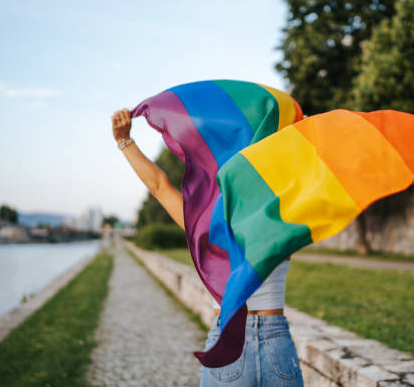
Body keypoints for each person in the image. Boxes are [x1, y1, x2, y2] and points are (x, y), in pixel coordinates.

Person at [111, 108, 304, 386]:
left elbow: (160, 187)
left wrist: (124, 141)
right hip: (278, 343)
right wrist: (303, 136)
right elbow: (305, 177)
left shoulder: (209, 228)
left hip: (228, 342)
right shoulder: (283, 217)